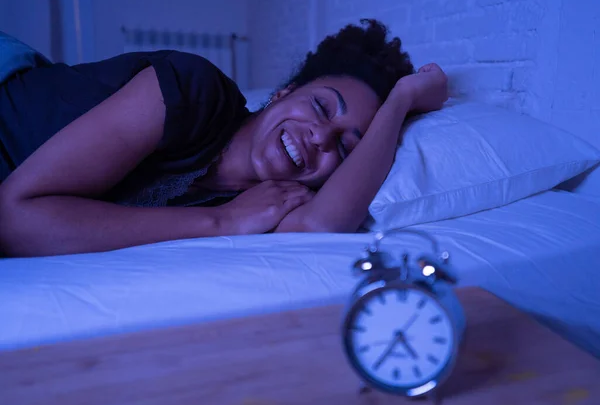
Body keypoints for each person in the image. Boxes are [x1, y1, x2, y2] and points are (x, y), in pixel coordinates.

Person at [0, 19, 448, 258]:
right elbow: (15, 218)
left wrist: (400, 102)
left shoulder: (276, 200)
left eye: (345, 147)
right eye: (320, 107)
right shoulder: (195, 91)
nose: (320, 139)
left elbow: (320, 227)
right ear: (281, 94)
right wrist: (222, 223)